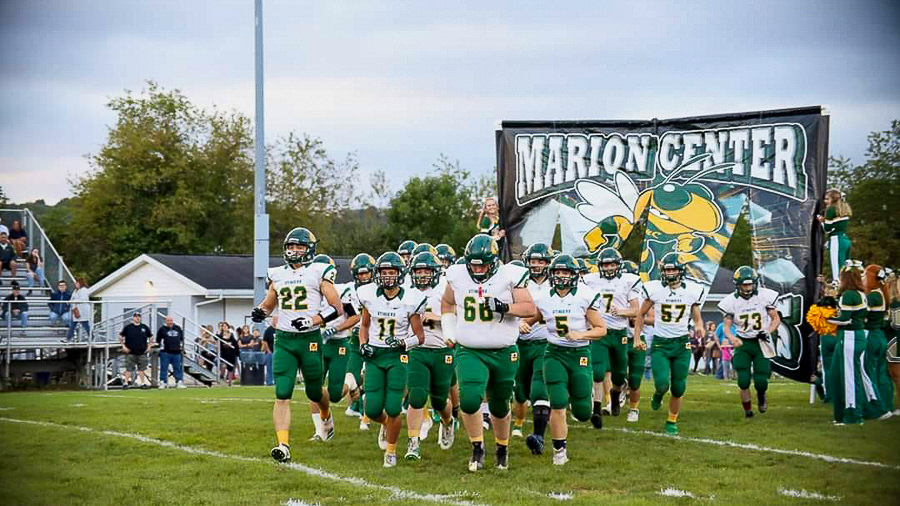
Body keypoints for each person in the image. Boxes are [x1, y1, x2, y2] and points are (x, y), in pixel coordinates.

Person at [441, 233, 534, 472]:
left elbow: (529, 308)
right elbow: (447, 303)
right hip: (470, 350)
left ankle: (502, 448)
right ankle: (477, 447)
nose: (478, 268)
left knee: (500, 404)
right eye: (474, 264)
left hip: (503, 351)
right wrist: (449, 329)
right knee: (470, 400)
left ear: (494, 261)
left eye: (483, 264)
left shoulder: (510, 275)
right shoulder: (458, 274)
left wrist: (505, 307)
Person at [249, 227, 343, 464]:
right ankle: (283, 444)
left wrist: (313, 320)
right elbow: (270, 304)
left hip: (309, 339)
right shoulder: (277, 274)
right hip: (284, 339)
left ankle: (325, 415)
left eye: (299, 246)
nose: (293, 250)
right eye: (290, 246)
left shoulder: (319, 271)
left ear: (309, 249)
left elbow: (336, 307)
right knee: (282, 392)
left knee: (314, 391)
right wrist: (261, 311)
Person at [529, 254, 606, 465]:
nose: (561, 276)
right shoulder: (544, 297)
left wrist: (581, 335)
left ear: (574, 275)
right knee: (558, 402)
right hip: (554, 353)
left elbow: (601, 329)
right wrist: (522, 324)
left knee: (582, 412)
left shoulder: (585, 295)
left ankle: (584, 398)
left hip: (580, 353)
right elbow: (532, 318)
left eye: (565, 272)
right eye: (557, 272)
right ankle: (559, 451)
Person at [356, 251, 426, 468]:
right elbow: (364, 326)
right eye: (384, 272)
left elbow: (420, 337)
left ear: (400, 273)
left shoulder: (410, 300)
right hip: (376, 355)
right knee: (373, 409)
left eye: (391, 272)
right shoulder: (368, 295)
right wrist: (363, 344)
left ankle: (391, 451)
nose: (387, 276)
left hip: (398, 356)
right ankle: (387, 425)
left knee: (394, 406)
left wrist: (404, 343)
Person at [634, 252, 705, 435]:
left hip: (682, 344)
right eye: (667, 270)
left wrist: (699, 327)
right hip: (660, 344)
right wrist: (637, 337)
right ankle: (658, 394)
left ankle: (671, 421)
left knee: (679, 386)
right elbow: (641, 314)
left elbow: (697, 318)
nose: (669, 273)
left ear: (680, 271)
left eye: (673, 269)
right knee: (662, 384)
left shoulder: (692, 290)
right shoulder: (655, 289)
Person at [405, 251, 456, 460]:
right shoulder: (406, 289)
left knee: (438, 400)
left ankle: (448, 421)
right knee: (416, 396)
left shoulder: (446, 287)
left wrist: (437, 317)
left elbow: (462, 315)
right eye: (418, 270)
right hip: (416, 349)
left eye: (427, 270)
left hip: (442, 349)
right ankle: (413, 443)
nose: (422, 274)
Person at [583, 247, 640, 426]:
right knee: (598, 371)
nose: (608, 268)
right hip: (600, 331)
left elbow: (637, 310)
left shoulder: (628, 281)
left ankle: (615, 395)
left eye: (612, 264)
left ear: (618, 265)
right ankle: (597, 409)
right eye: (606, 264)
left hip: (619, 333)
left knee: (619, 374)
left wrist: (622, 311)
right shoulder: (590, 280)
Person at [826, 260, 885, 424]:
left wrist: (825, 320)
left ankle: (853, 415)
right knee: (847, 374)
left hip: (850, 336)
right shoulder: (859, 293)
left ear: (846, 278)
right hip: (856, 335)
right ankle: (851, 411)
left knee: (849, 377)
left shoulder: (849, 294)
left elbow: (845, 319)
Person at [718, 266, 781, 417]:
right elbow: (726, 327)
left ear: (755, 283)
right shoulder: (731, 301)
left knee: (761, 379)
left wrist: (768, 331)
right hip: (743, 342)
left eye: (750, 284)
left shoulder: (764, 296)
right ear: (737, 284)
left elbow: (776, 318)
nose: (747, 287)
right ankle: (747, 411)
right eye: (744, 284)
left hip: (761, 342)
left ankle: (761, 396)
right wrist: (733, 338)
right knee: (743, 380)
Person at [309, 253, 358, 442]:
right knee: (314, 388)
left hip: (338, 344)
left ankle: (351, 382)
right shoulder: (310, 292)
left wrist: (334, 329)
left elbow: (355, 317)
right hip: (317, 344)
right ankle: (321, 430)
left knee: (335, 394)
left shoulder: (341, 291)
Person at [512, 243, 552, 453]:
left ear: (548, 263)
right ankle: (521, 422)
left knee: (539, 387)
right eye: (533, 261)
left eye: (540, 261)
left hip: (544, 343)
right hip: (519, 343)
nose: (536, 265)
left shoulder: (556, 283)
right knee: (521, 390)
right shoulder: (518, 281)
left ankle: (538, 436)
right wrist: (517, 322)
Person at [343, 253, 376, 429]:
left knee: (371, 376)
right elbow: (348, 313)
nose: (363, 276)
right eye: (360, 273)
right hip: (356, 338)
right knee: (351, 377)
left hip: (376, 338)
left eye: (366, 273)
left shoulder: (380, 288)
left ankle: (366, 415)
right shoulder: (348, 289)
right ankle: (356, 403)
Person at [863, 265, 893, 414]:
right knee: (882, 373)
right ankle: (887, 404)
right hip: (880, 335)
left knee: (869, 372)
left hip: (871, 336)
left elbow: (860, 316)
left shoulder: (872, 296)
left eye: (865, 276)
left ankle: (876, 408)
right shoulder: (882, 293)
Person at [817, 189, 852, 283]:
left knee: (837, 272)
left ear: (833, 199)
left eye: (827, 199)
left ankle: (838, 291)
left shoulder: (831, 209)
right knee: (846, 268)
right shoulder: (843, 208)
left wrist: (821, 221)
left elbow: (827, 229)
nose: (825, 201)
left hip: (836, 240)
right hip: (845, 240)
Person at [119, 312, 152, 389]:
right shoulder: (128, 327)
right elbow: (121, 336)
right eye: (136, 316)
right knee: (129, 369)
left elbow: (151, 337)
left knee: (142, 369)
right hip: (130, 352)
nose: (137, 318)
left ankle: (143, 383)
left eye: (139, 316)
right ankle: (126, 383)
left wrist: (149, 346)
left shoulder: (144, 327)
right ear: (133, 318)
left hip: (142, 352)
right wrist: (123, 346)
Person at [156, 316, 186, 389]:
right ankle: (163, 382)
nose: (169, 322)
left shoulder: (178, 328)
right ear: (166, 321)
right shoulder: (162, 329)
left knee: (177, 368)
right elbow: (158, 340)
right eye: (168, 320)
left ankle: (179, 381)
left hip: (176, 352)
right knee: (164, 368)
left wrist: (182, 350)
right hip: (165, 352)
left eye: (171, 320)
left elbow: (181, 339)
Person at [67, 277, 91, 342]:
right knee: (73, 325)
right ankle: (68, 338)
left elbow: (83, 299)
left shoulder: (84, 290)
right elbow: (72, 298)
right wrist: (69, 302)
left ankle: (91, 337)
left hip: (83, 310)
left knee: (85, 324)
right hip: (76, 310)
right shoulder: (75, 290)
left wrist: (74, 301)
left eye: (77, 283)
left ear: (80, 283)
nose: (76, 284)